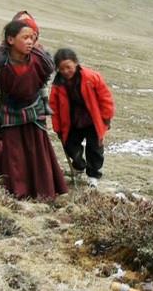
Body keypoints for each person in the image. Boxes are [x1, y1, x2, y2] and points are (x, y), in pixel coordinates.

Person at [0, 20, 68, 200]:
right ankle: (19, 192)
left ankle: (45, 191)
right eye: (24, 38)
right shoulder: (1, 64)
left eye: (31, 38)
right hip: (10, 110)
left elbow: (42, 83)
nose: (29, 42)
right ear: (10, 40)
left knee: (38, 151)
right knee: (15, 155)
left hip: (34, 108)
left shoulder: (39, 61)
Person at [49, 48, 115, 188]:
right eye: (62, 69)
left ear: (76, 63)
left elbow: (105, 98)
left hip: (92, 121)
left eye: (69, 67)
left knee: (95, 148)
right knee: (70, 145)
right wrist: (57, 128)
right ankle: (79, 164)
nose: (66, 71)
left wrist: (106, 118)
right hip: (72, 121)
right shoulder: (58, 85)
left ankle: (93, 176)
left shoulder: (92, 77)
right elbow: (54, 108)